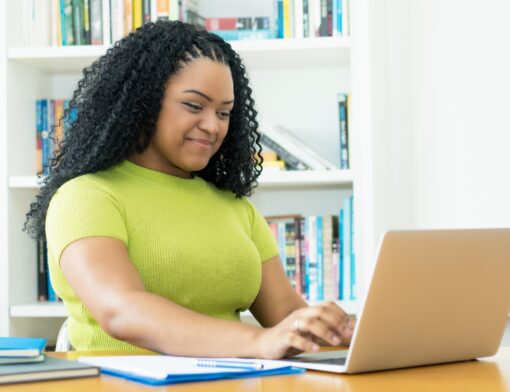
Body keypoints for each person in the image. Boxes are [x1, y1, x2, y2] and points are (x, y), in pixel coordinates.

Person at [24, 20, 354, 359]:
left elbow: (287, 316)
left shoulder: (235, 208)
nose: (213, 126)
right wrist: (258, 342)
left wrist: (347, 331)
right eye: (194, 106)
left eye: (224, 112)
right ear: (143, 102)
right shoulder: (86, 196)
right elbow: (120, 309)